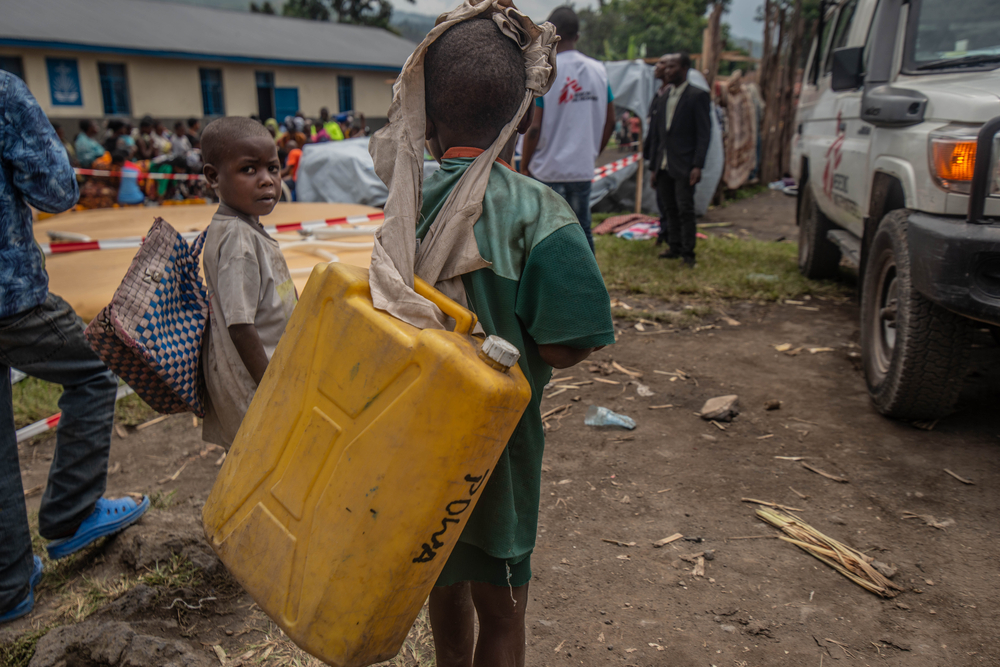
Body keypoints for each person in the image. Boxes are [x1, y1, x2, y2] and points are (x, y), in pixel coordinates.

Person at [420, 17, 615, 667]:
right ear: (528, 118)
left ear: (423, 117)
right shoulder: (542, 215)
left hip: (411, 439)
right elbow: (567, 345)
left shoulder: (400, 203)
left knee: (438, 572)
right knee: (501, 612)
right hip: (497, 450)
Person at [0, 71, 149, 625]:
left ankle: (9, 582)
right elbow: (57, 191)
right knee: (94, 368)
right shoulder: (3, 92)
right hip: (10, 295)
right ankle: (71, 512)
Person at [199, 117, 296, 448]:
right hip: (257, 384)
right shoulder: (238, 240)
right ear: (213, 177)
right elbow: (240, 323)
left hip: (268, 374)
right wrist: (271, 386)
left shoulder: (243, 227)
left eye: (273, 168)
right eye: (249, 170)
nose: (267, 181)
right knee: (266, 460)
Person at [519, 6, 615, 253]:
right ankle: (587, 285)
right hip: (581, 169)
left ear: (552, 35)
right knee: (582, 230)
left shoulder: (547, 71)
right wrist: (592, 152)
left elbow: (533, 128)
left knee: (546, 232)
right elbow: (610, 121)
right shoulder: (599, 71)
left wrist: (525, 165)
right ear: (578, 36)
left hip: (547, 170)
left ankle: (552, 286)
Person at [645, 52, 710, 266]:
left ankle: (688, 252)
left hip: (684, 164)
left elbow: (703, 133)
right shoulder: (663, 97)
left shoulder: (697, 96)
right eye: (667, 66)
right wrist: (654, 167)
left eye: (672, 67)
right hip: (664, 163)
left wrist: (697, 165)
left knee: (685, 208)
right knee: (668, 206)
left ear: (684, 69)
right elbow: (658, 136)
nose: (667, 70)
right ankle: (673, 245)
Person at [645, 53, 671, 246]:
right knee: (662, 200)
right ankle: (664, 233)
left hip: (673, 159)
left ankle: (674, 239)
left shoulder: (675, 95)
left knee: (674, 202)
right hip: (658, 157)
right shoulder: (659, 93)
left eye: (662, 63)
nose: (657, 67)